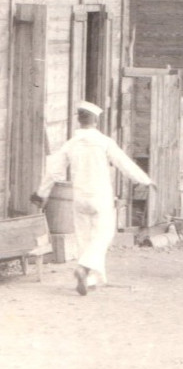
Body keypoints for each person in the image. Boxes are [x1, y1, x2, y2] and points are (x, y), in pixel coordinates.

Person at [32, 101, 153, 296]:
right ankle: (84, 268)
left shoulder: (70, 144)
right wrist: (145, 180)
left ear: (79, 120)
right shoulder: (104, 142)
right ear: (96, 120)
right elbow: (124, 163)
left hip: (79, 196)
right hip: (100, 196)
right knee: (103, 235)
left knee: (84, 237)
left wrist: (42, 193)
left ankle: (91, 279)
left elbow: (53, 171)